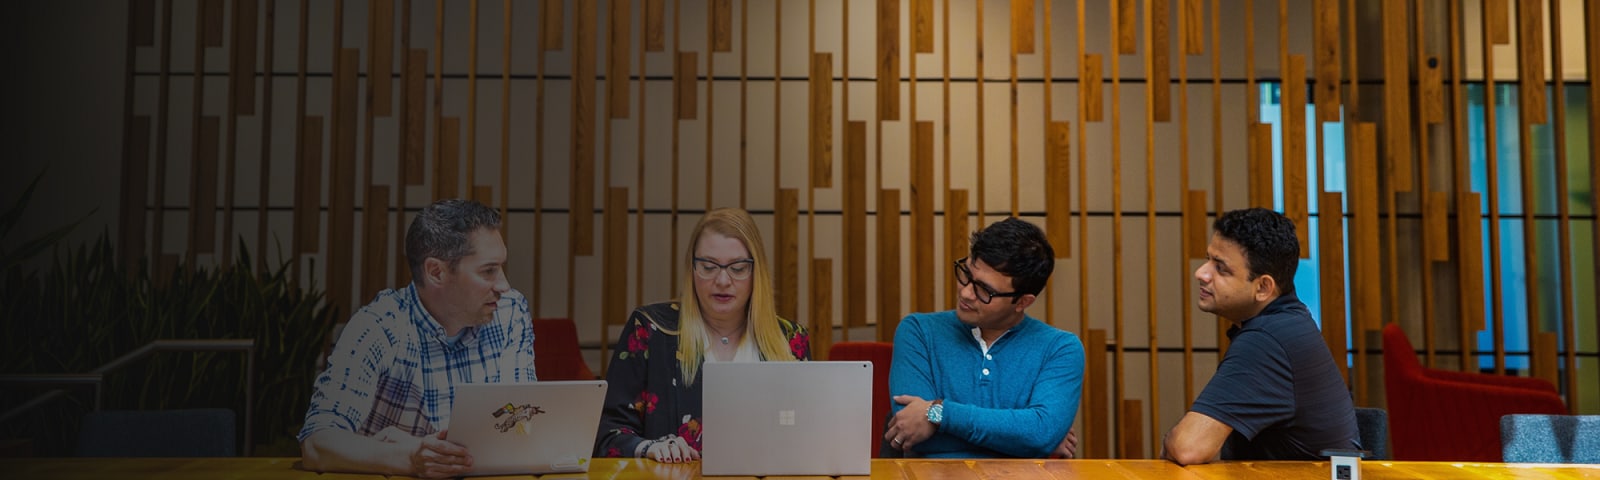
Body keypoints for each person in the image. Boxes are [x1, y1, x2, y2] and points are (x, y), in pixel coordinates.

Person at [299, 198, 534, 479]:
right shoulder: (379, 326)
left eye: (501, 267)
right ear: (436, 272)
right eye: (488, 271)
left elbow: (521, 425)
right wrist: (410, 457)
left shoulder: (510, 312)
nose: (504, 285)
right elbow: (317, 444)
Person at [594, 208, 811, 463]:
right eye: (708, 267)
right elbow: (606, 434)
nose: (722, 280)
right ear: (692, 269)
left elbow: (809, 435)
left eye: (738, 268)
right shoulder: (651, 330)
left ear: (756, 273)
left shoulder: (789, 339)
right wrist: (647, 448)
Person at [1162, 208, 1358, 465]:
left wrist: (1170, 439)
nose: (1202, 273)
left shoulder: (1268, 340)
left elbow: (1188, 448)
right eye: (1208, 259)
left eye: (1220, 268)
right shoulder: (1288, 321)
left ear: (1263, 287)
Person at [884, 217, 1084, 458]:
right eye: (966, 274)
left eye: (984, 290)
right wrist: (1025, 438)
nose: (966, 293)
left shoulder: (1060, 348)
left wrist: (938, 413)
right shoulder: (918, 331)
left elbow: (1040, 434)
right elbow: (913, 433)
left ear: (1022, 301)